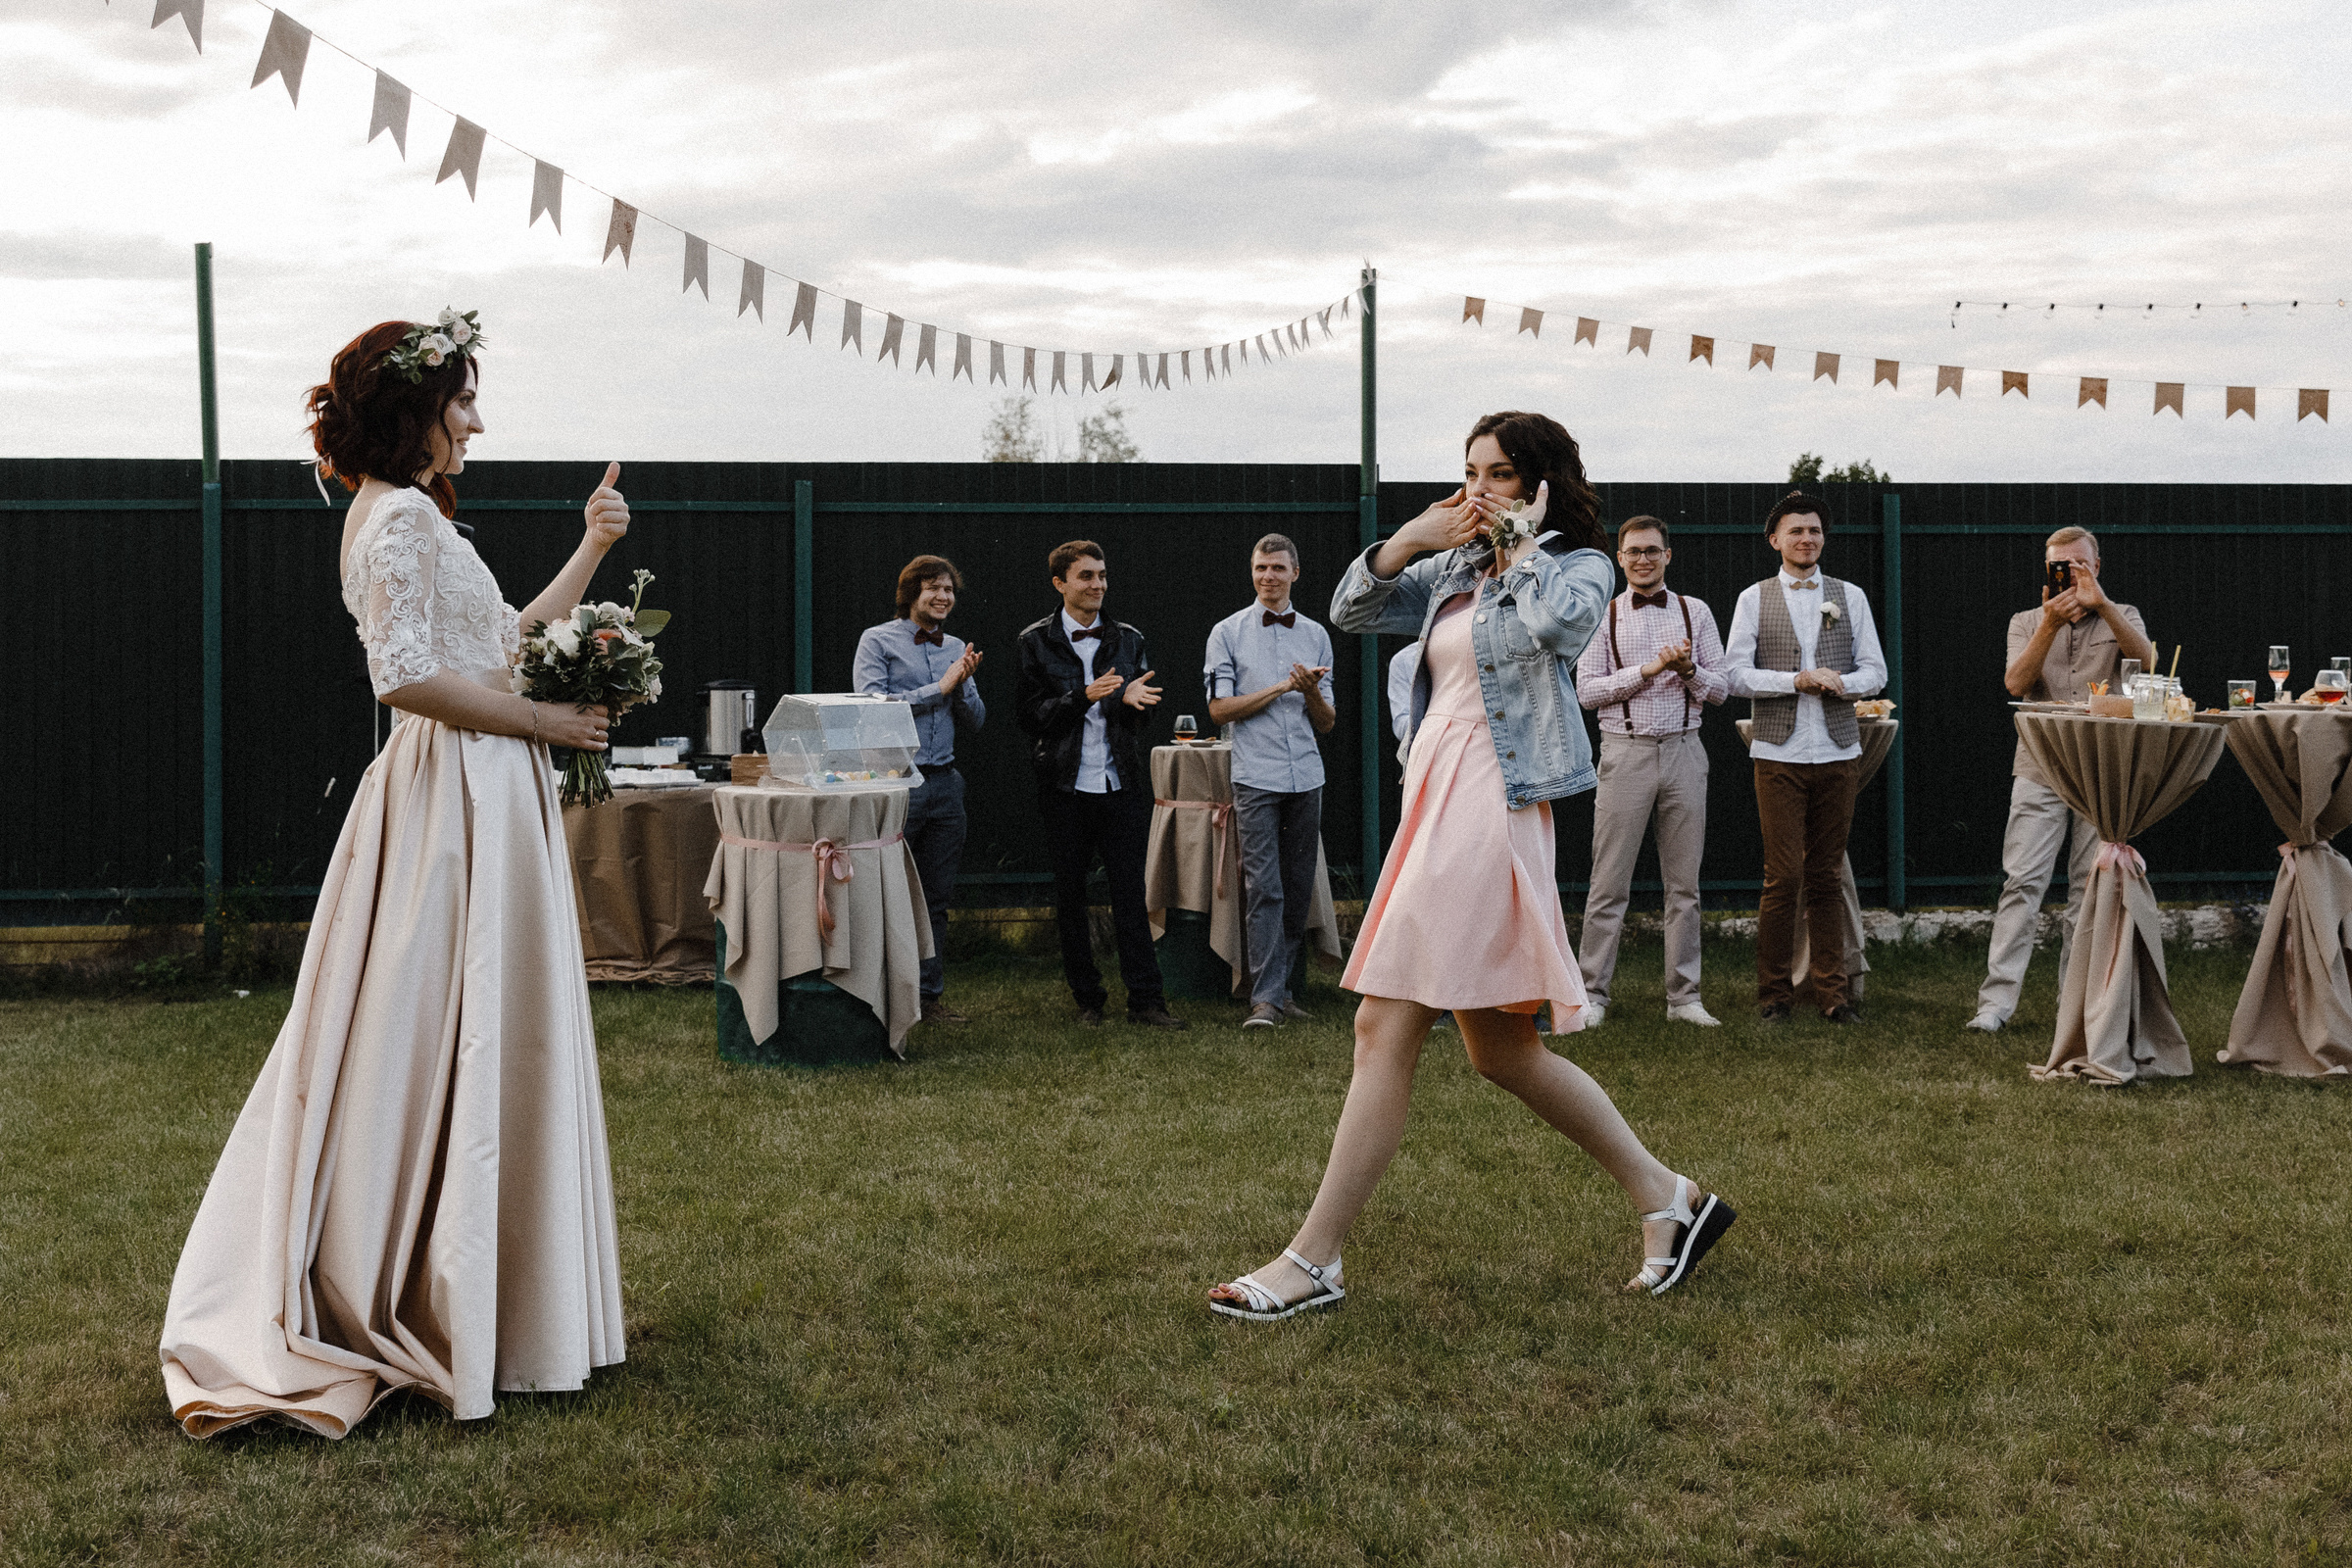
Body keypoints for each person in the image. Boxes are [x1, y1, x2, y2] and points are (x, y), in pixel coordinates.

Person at [159, 316, 627, 1438]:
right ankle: (405, 1286)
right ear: (414, 409)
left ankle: (486, 1291)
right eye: (463, 398)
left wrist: (593, 550)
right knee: (441, 1030)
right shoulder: (402, 516)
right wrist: (543, 723)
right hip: (453, 801)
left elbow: (498, 643)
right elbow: (408, 676)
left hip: (477, 786)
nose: (477, 419)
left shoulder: (408, 516)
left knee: (467, 1029)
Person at [1207, 412, 1736, 1321]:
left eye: (1496, 475)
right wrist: (1413, 536)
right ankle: (1670, 1199)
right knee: (1502, 1050)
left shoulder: (1578, 566)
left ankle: (1314, 1258)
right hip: (1438, 790)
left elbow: (1559, 629)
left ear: (1537, 484)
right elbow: (1353, 610)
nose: (1477, 489)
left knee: (1384, 1022)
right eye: (1468, 472)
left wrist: (1524, 545)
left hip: (1496, 799)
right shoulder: (1454, 568)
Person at [1968, 526, 2153, 1032]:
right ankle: (1996, 1005)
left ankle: (2073, 1002)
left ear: (2097, 566)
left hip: (2102, 767)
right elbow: (2015, 683)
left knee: (2086, 887)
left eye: (2080, 565)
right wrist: (2050, 623)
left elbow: (2149, 663)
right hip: (2040, 761)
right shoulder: (2026, 621)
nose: (2070, 573)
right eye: (2060, 566)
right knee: (2022, 881)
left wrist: (2105, 605)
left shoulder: (2124, 615)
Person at [1723, 492, 1887, 1024]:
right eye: (1796, 531)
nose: (1806, 539)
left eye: (1814, 531)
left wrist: (1842, 684)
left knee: (1826, 876)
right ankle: (1774, 996)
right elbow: (1734, 675)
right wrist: (1795, 680)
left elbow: (1875, 672)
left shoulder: (1849, 596)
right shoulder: (1754, 597)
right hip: (1778, 752)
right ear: (1776, 540)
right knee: (1782, 876)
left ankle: (1834, 996)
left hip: (1839, 751)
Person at [1014, 540, 1187, 1030]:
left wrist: (1131, 700)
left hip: (1120, 783)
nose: (1098, 585)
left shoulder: (1128, 638)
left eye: (1103, 576)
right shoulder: (1034, 641)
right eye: (1086, 576)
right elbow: (1031, 717)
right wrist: (1084, 696)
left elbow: (1142, 712)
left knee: (1131, 893)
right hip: (1063, 787)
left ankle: (1147, 1002)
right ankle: (1088, 999)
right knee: (1071, 896)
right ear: (1060, 583)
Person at [1573, 514, 1731, 1028]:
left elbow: (1723, 688)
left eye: (1652, 551)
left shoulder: (1696, 611)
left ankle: (1684, 999)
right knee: (1608, 883)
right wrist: (1646, 672)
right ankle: (1592, 995)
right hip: (1624, 753)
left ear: (1668, 556)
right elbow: (1587, 690)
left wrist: (1688, 671)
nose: (1643, 559)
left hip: (1685, 750)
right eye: (1633, 551)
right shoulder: (1604, 615)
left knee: (1683, 886)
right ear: (1620, 558)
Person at [1204, 533, 1336, 1028]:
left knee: (1297, 888)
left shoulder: (1317, 635)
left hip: (1306, 775)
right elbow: (1218, 710)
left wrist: (1309, 694)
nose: (1267, 577)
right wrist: (1283, 685)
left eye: (1277, 569)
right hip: (1256, 776)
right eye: (1260, 568)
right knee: (1265, 887)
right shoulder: (1228, 633)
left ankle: (1280, 993)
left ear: (1294, 574)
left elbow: (1326, 722)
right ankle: (1263, 1001)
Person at [855, 555, 986, 1024]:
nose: (943, 597)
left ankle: (928, 998)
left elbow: (976, 720)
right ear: (911, 593)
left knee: (936, 897)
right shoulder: (877, 640)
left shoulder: (955, 646)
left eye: (949, 589)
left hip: (946, 784)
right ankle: (882, 995)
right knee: (887, 894)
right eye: (933, 588)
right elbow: (872, 711)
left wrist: (964, 683)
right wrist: (940, 686)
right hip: (896, 785)